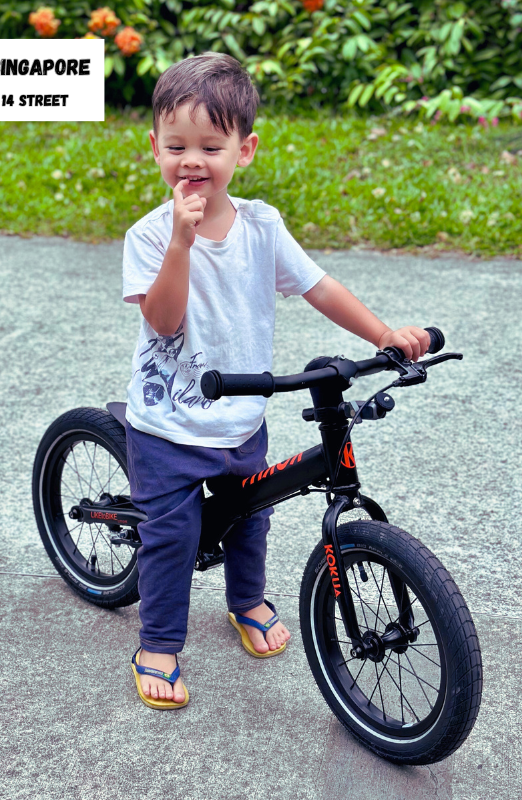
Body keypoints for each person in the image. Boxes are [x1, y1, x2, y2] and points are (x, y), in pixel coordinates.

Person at [123, 52, 430, 709]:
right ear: (154, 149)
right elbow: (164, 319)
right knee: (173, 537)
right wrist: (181, 242)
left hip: (241, 414)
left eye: (212, 145)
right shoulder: (149, 236)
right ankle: (157, 643)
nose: (193, 161)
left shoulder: (261, 226)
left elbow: (318, 286)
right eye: (176, 146)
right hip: (169, 424)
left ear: (246, 148)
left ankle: (245, 601)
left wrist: (382, 334)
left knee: (250, 517)